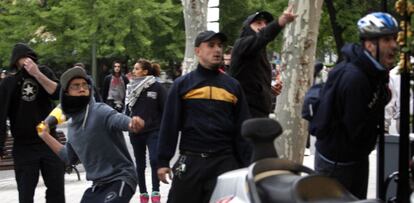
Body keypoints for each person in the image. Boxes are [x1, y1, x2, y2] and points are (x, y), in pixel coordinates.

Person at [157, 31, 252, 203]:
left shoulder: (233, 86)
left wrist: (248, 166)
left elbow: (242, 130)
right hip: (191, 163)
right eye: (211, 45)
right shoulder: (182, 85)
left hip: (225, 164)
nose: (217, 50)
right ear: (197, 51)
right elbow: (169, 125)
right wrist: (163, 161)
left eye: (220, 46)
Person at [312, 12, 398, 199]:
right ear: (369, 44)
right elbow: (356, 129)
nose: (394, 45)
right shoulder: (355, 77)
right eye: (386, 39)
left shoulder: (372, 71)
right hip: (337, 163)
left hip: (354, 157)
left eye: (394, 38)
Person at [38, 66, 145, 203]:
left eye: (84, 85)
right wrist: (45, 136)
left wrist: (133, 124)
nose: (82, 88)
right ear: (66, 93)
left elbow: (120, 120)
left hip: (120, 178)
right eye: (76, 86)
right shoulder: (72, 127)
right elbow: (69, 158)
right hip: (97, 186)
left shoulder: (100, 111)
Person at [0, 43, 65, 203]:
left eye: (30, 57)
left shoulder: (44, 72)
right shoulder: (9, 83)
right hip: (24, 146)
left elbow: (57, 93)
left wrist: (37, 74)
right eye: (23, 58)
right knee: (26, 193)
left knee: (56, 190)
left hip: (49, 140)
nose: (28, 61)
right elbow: (1, 115)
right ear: (16, 61)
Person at [229, 5, 296, 118]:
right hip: (244, 113)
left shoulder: (259, 51)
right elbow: (262, 37)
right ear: (247, 27)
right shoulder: (241, 44)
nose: (263, 26)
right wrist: (280, 22)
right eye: (258, 23)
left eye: (265, 23)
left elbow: (251, 80)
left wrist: (268, 90)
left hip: (259, 112)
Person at [125, 59, 167, 203]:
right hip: (135, 132)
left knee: (154, 159)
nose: (133, 71)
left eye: (137, 69)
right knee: (140, 164)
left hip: (153, 130)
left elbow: (165, 110)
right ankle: (143, 193)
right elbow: (127, 110)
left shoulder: (157, 87)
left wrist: (160, 126)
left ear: (145, 71)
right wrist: (128, 123)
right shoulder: (130, 87)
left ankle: (156, 191)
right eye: (134, 68)